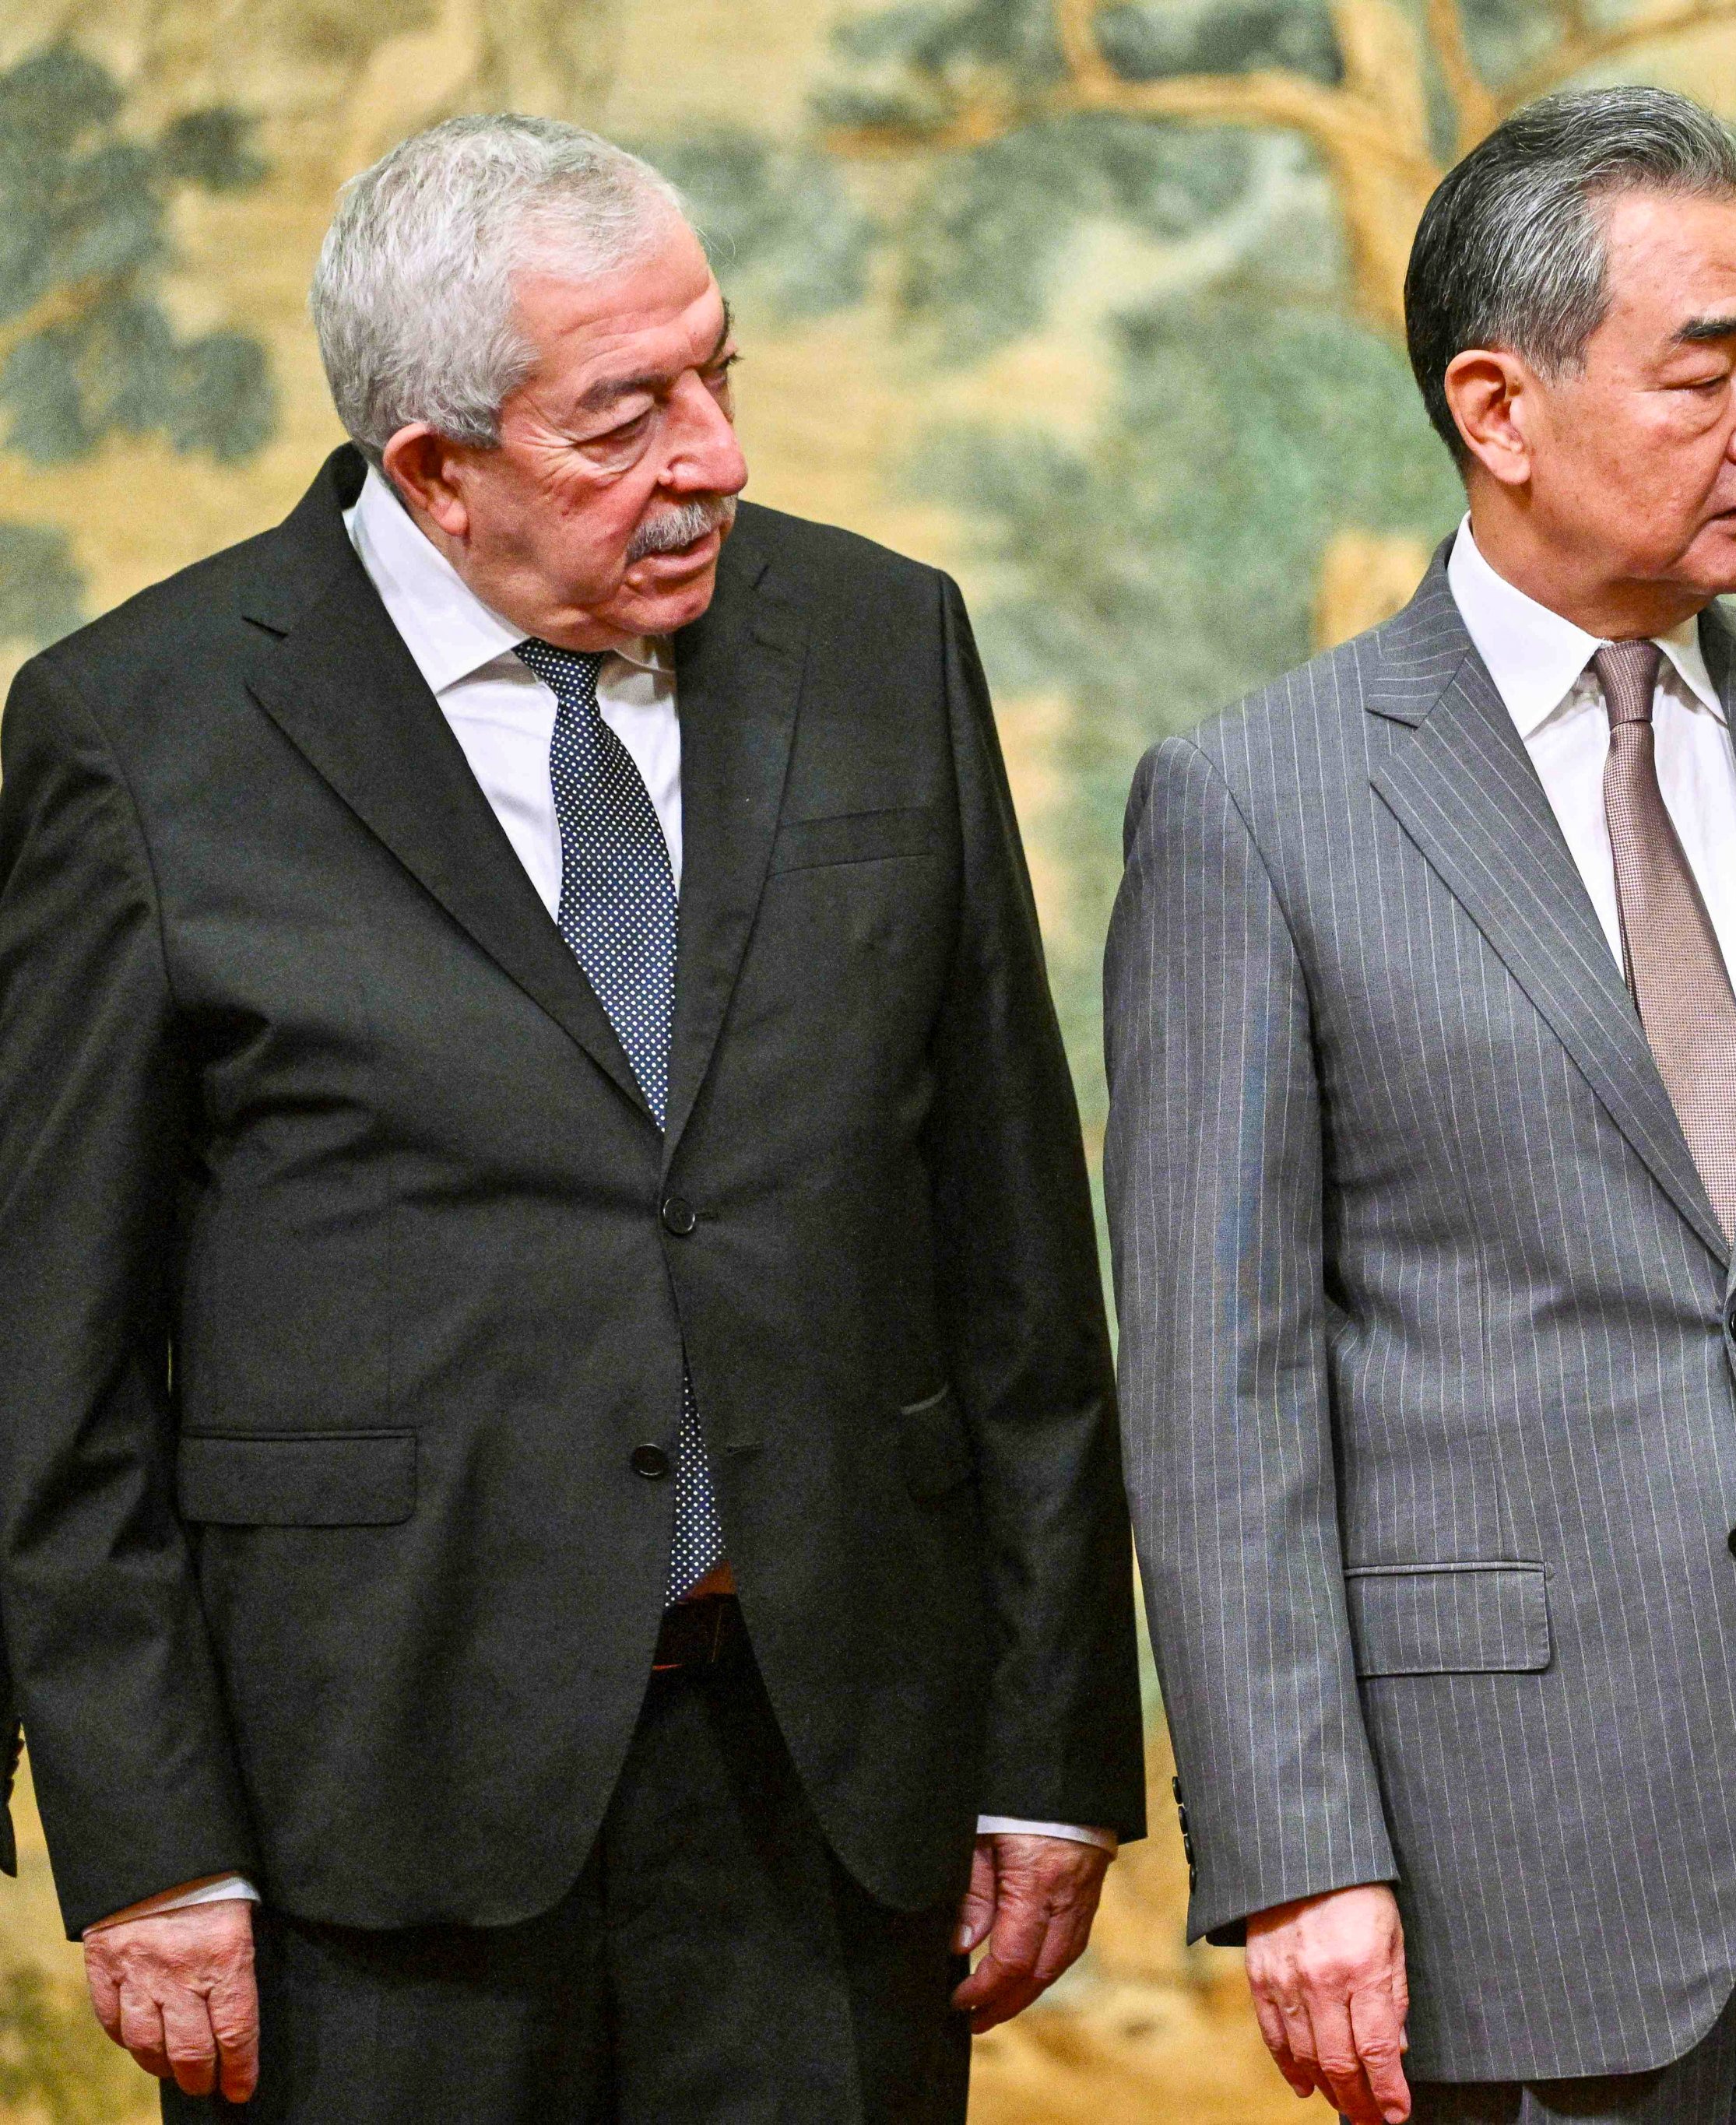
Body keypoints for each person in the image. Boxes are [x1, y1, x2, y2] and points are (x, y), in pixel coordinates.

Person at [0, 114, 1142, 2120]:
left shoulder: (884, 643)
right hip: (364, 1827)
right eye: (628, 415)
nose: (716, 457)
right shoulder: (142, 729)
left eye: (721, 372)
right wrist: (152, 1841)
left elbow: (1015, 1260)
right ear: (432, 468)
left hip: (830, 1794)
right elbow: (53, 1354)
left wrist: (1050, 1753)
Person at [1105, 85, 1736, 2125]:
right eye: (1705, 368)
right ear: (1498, 405)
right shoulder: (1261, 807)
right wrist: (1302, 1847)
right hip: (1518, 1844)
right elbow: (1223, 1396)